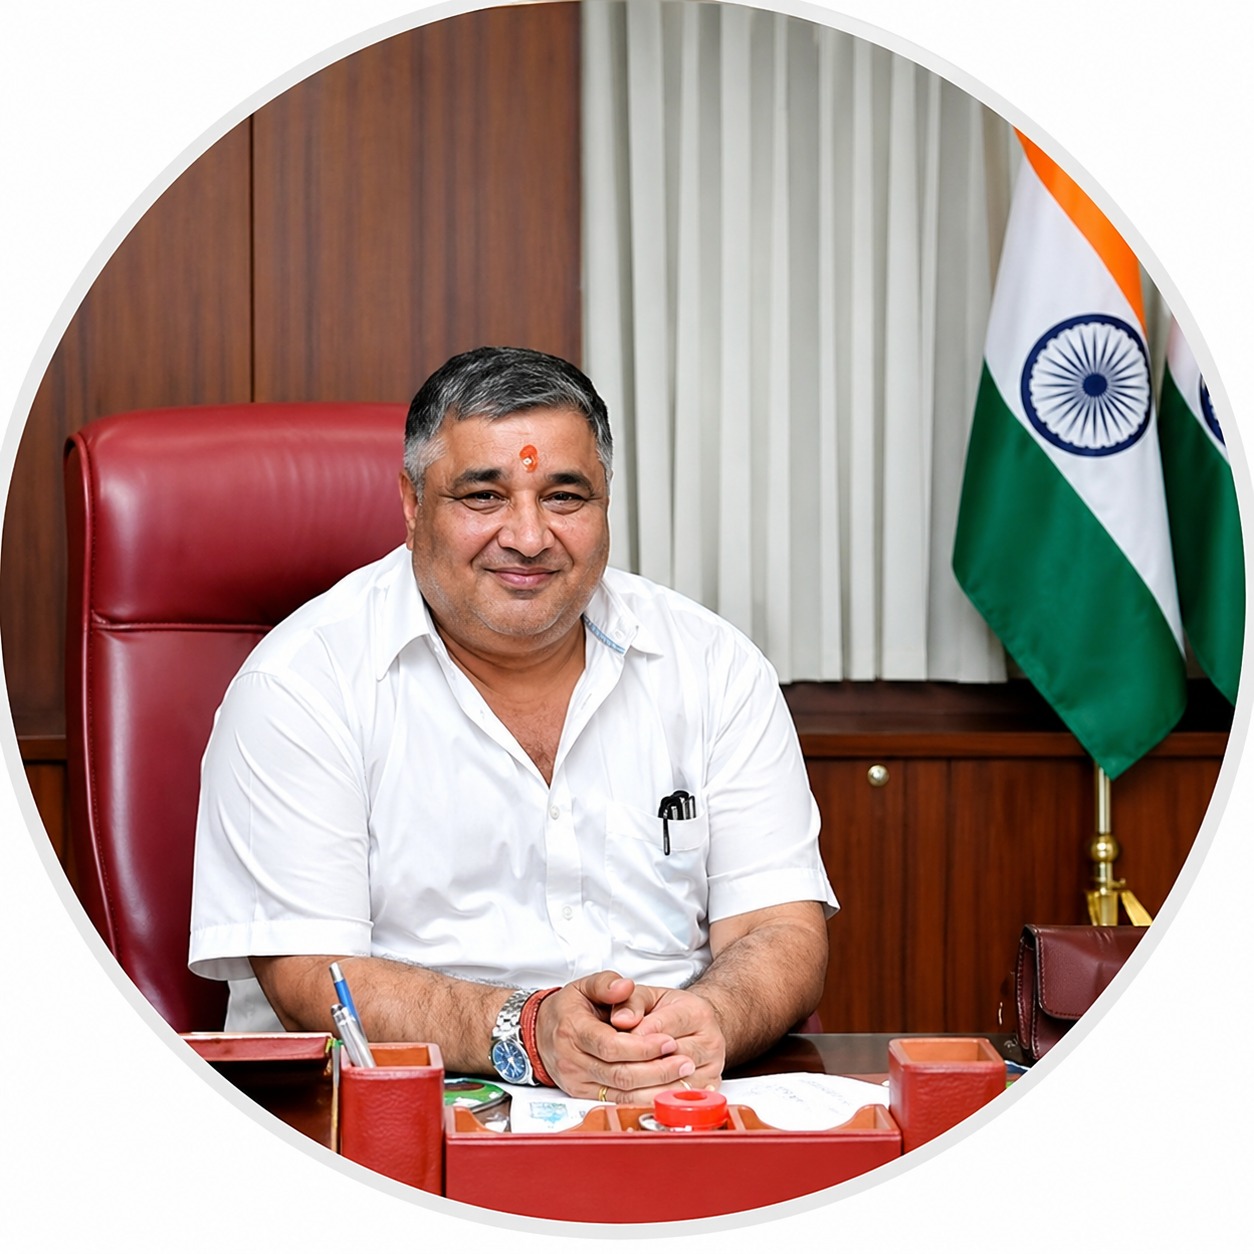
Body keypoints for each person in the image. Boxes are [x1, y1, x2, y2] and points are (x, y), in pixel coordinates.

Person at [189, 346, 837, 1102]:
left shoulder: (713, 665)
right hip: (397, 1110)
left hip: (670, 1098)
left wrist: (708, 1020)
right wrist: (530, 1033)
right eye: (484, 496)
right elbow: (309, 977)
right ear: (411, 503)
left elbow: (781, 929)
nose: (529, 537)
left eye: (564, 496)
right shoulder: (302, 684)